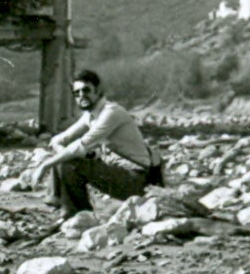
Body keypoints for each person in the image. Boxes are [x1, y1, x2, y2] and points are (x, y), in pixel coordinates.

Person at [29, 69, 161, 216]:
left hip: (136, 179)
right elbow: (58, 140)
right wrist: (67, 156)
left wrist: (45, 165)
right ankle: (72, 212)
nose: (81, 96)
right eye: (76, 93)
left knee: (67, 161)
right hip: (119, 174)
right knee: (67, 160)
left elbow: (81, 145)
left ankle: (75, 213)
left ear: (98, 91)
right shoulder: (90, 115)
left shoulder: (111, 112)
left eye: (86, 90)